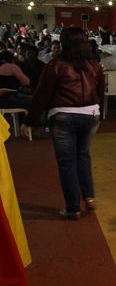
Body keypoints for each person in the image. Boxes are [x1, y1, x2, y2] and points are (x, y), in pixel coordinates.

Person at [21, 27, 105, 220]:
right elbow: (100, 92)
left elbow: (42, 95)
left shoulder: (55, 66)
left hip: (63, 116)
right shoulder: (94, 65)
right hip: (91, 114)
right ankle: (89, 197)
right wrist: (98, 115)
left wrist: (30, 121)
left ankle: (73, 208)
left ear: (64, 43)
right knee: (83, 155)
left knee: (67, 163)